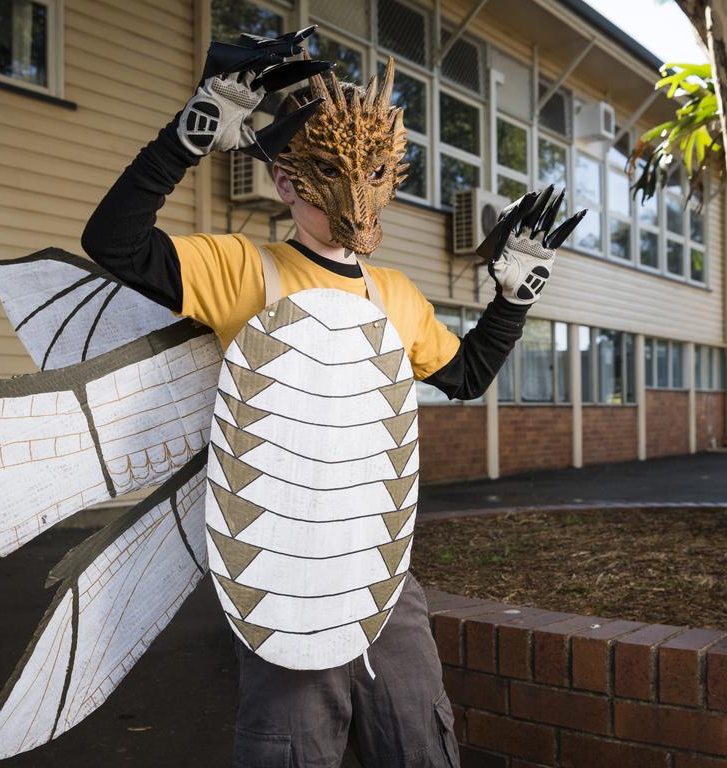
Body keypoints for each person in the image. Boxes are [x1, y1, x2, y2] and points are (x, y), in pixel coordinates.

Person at [80, 27, 580, 768]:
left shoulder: (395, 293)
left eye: (374, 172)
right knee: (294, 750)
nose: (354, 199)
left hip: (380, 571)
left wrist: (509, 300)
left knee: (418, 739)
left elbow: (466, 376)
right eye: (325, 175)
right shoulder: (241, 270)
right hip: (281, 568)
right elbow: (114, 243)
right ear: (285, 182)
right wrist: (190, 132)